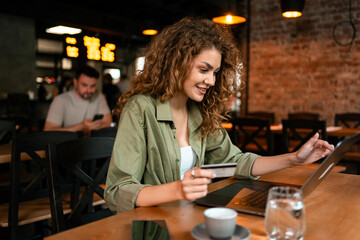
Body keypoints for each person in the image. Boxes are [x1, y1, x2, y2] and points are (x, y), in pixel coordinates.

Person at [104, 17, 334, 213]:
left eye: (214, 72)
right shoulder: (141, 108)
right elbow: (117, 190)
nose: (211, 81)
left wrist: (294, 159)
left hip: (191, 217)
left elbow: (237, 162)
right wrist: (178, 190)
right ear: (175, 63)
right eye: (203, 70)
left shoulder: (198, 112)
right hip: (152, 226)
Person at [44, 65, 112, 135]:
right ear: (75, 82)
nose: (89, 90)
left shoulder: (99, 96)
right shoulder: (60, 100)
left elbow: (107, 122)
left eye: (93, 86)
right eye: (84, 85)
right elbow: (48, 131)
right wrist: (81, 127)